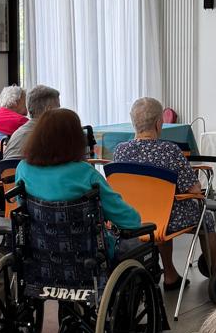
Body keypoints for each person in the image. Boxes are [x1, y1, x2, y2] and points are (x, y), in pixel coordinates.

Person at [111, 97, 216, 289]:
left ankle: (171, 274)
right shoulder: (169, 150)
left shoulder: (120, 150)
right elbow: (194, 190)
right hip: (165, 218)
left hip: (134, 217)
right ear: (158, 123)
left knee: (161, 208)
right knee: (206, 217)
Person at [15, 108, 143, 256]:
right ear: (75, 140)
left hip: (39, 256)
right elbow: (129, 220)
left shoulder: (23, 169)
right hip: (87, 259)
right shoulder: (85, 173)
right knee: (134, 241)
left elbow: (22, 207)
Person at [3, 84, 60, 163]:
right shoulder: (46, 135)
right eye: (58, 108)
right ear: (49, 109)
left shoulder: (18, 132)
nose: (60, 112)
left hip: (9, 170)